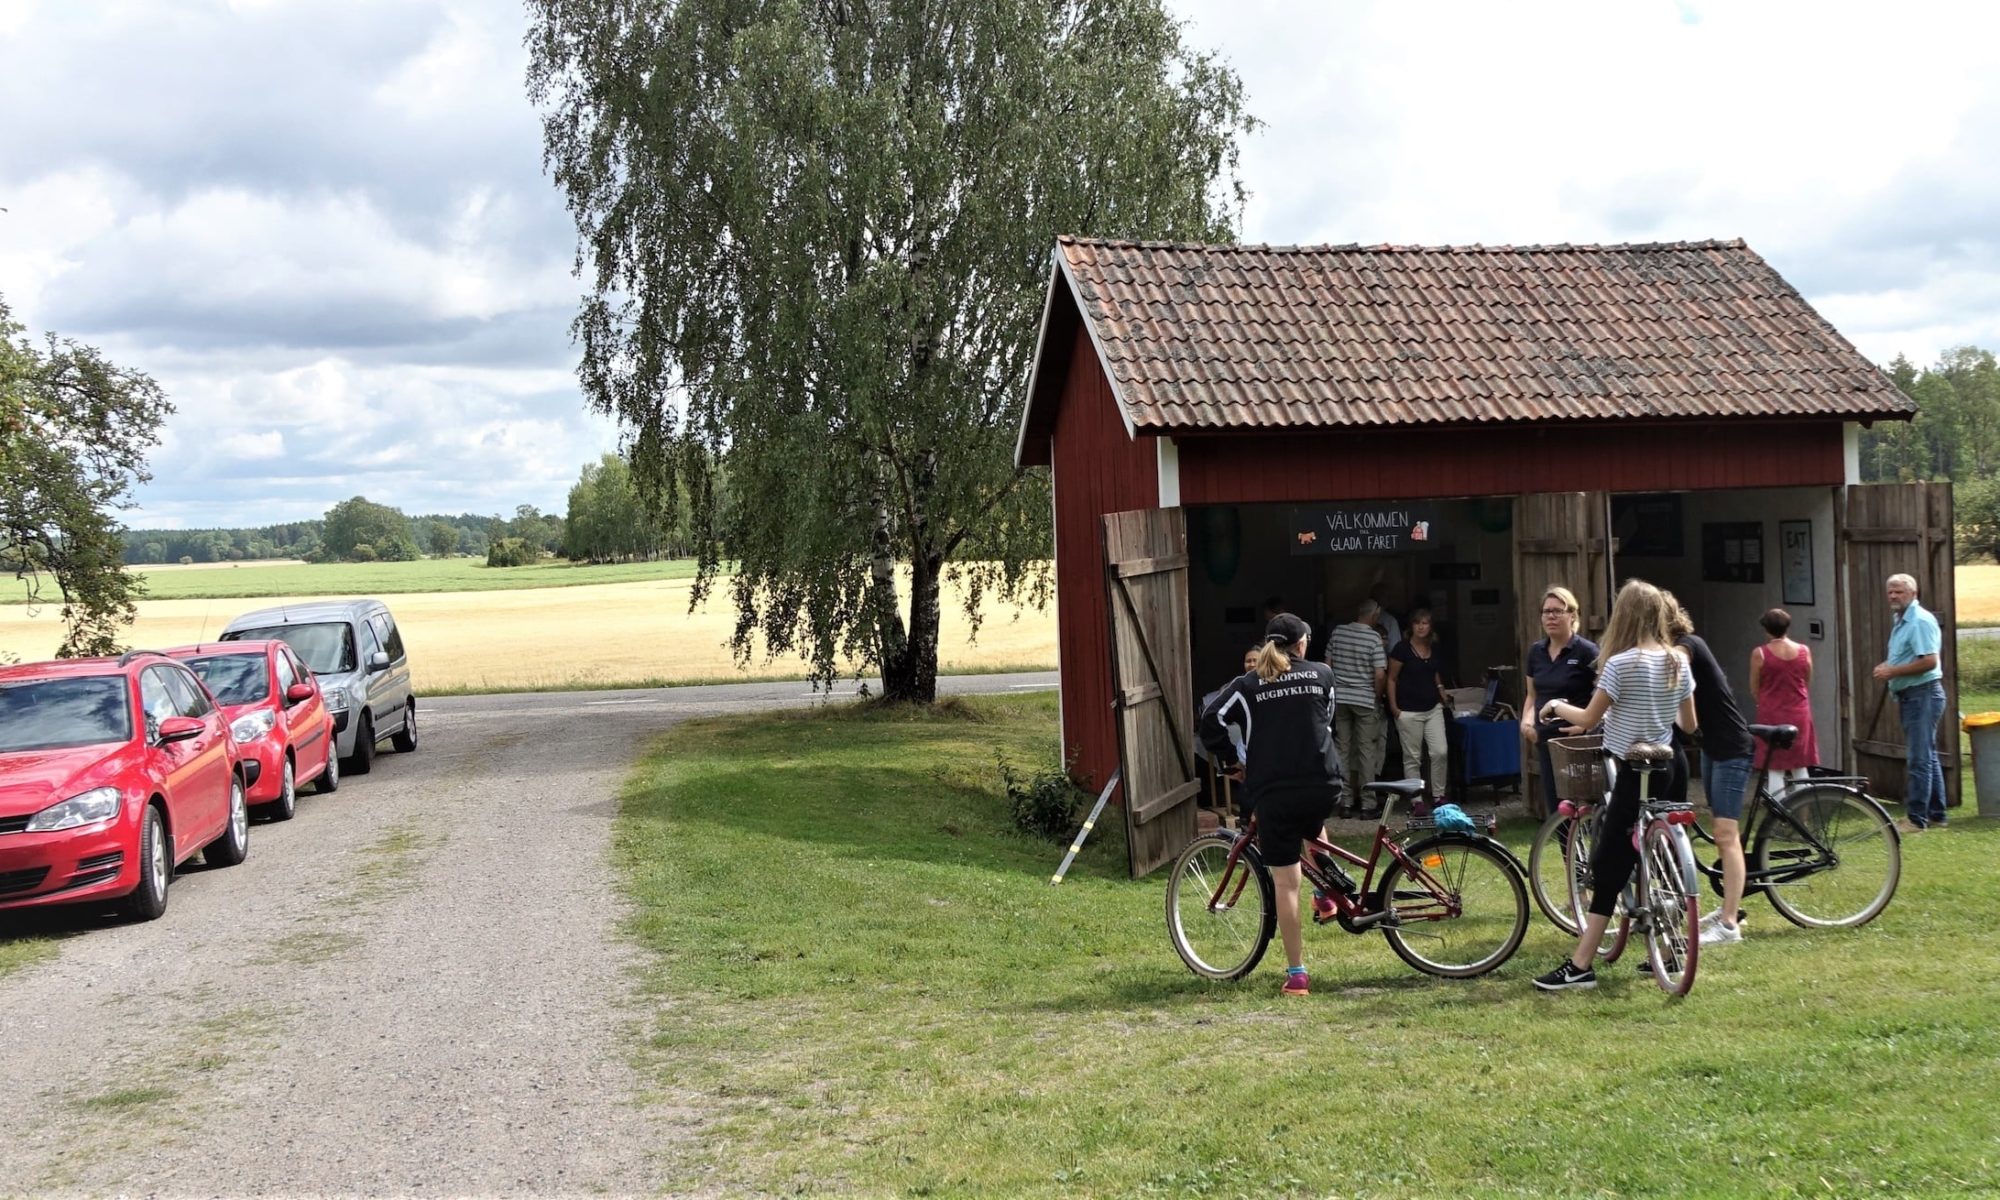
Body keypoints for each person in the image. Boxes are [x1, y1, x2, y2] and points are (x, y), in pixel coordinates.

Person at [1532, 579, 1697, 992]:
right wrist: (1652, 713)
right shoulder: (1679, 660)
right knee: (1663, 854)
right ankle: (1672, 943)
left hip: (1632, 769)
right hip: (1671, 762)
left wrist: (1553, 706)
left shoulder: (1620, 664)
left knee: (1609, 865)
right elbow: (1690, 724)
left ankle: (1581, 964)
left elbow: (1587, 718)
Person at [1197, 614, 1353, 998]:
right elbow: (1325, 720)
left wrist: (1231, 763)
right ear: (1301, 644)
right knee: (1313, 824)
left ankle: (1298, 975)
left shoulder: (1247, 684)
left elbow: (1210, 720)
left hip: (1274, 789)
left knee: (1285, 882)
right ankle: (1326, 897)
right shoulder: (1322, 674)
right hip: (1324, 783)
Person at [1665, 594, 1753, 946]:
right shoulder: (1679, 649)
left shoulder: (1689, 645)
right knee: (1721, 833)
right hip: (1713, 749)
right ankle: (1727, 907)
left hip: (1731, 747)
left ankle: (1729, 924)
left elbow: (1676, 662)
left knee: (1726, 834)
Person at [1874, 573, 1948, 832]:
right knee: (1928, 755)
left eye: (1899, 591)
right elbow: (1910, 656)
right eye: (1890, 591)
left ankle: (1916, 820)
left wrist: (1892, 672)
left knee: (1919, 759)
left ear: (1913, 593)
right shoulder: (1901, 619)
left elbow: (1929, 661)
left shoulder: (1918, 620)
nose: (1893, 596)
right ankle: (1937, 814)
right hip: (1914, 695)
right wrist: (1890, 665)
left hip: (1923, 694)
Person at [1521, 586, 1600, 814]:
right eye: (1546, 611)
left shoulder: (1587, 651)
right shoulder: (1536, 652)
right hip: (1547, 741)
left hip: (1577, 743)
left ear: (1572, 615)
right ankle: (1567, 851)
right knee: (1557, 809)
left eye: (1558, 611)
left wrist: (1585, 724)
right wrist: (1526, 723)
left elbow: (1604, 694)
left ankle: (1589, 850)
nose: (1551, 616)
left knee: (1583, 808)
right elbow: (1532, 694)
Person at [1326, 599, 1388, 817]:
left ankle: (1345, 802)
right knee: (1366, 751)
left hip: (1341, 698)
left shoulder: (1338, 632)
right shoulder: (1373, 637)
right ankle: (1368, 804)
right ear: (1375, 615)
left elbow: (1328, 664)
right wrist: (1377, 695)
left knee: (1342, 749)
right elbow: (1380, 674)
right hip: (1365, 699)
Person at [1749, 608, 1819, 798]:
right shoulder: (1804, 650)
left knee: (1774, 766)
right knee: (1799, 764)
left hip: (1771, 712)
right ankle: (1802, 811)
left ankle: (1777, 815)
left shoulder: (1760, 653)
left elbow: (1755, 687)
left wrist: (1764, 700)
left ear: (1766, 629)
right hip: (1799, 711)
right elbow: (1807, 680)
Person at [1388, 608, 1450, 806]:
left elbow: (1433, 670)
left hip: (1432, 708)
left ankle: (1438, 795)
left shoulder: (1434, 647)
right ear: (1411, 626)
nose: (1421, 627)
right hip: (1408, 710)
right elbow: (1391, 678)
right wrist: (1394, 707)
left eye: (1425, 623)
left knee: (1440, 751)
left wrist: (1441, 688)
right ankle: (1416, 800)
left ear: (1430, 626)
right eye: (1417, 623)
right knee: (1413, 758)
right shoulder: (1401, 649)